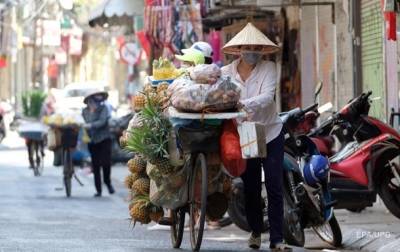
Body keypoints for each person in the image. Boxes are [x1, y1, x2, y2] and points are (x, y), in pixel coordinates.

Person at [221, 23, 289, 251]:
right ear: (239, 48)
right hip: (245, 135)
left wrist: (239, 103)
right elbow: (221, 97)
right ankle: (256, 231)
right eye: (248, 47)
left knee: (274, 184)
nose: (252, 51)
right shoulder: (226, 73)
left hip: (270, 132)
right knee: (250, 187)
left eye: (256, 48)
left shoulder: (269, 68)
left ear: (261, 51)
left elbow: (267, 98)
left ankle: (277, 239)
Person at [82, 90, 115, 197]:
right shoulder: (85, 111)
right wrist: (91, 113)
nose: (93, 103)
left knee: (106, 163)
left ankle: (108, 182)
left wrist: (91, 125)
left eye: (95, 101)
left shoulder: (103, 108)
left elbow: (102, 121)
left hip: (104, 139)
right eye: (91, 101)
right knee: (95, 165)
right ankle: (98, 190)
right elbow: (84, 121)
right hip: (92, 141)